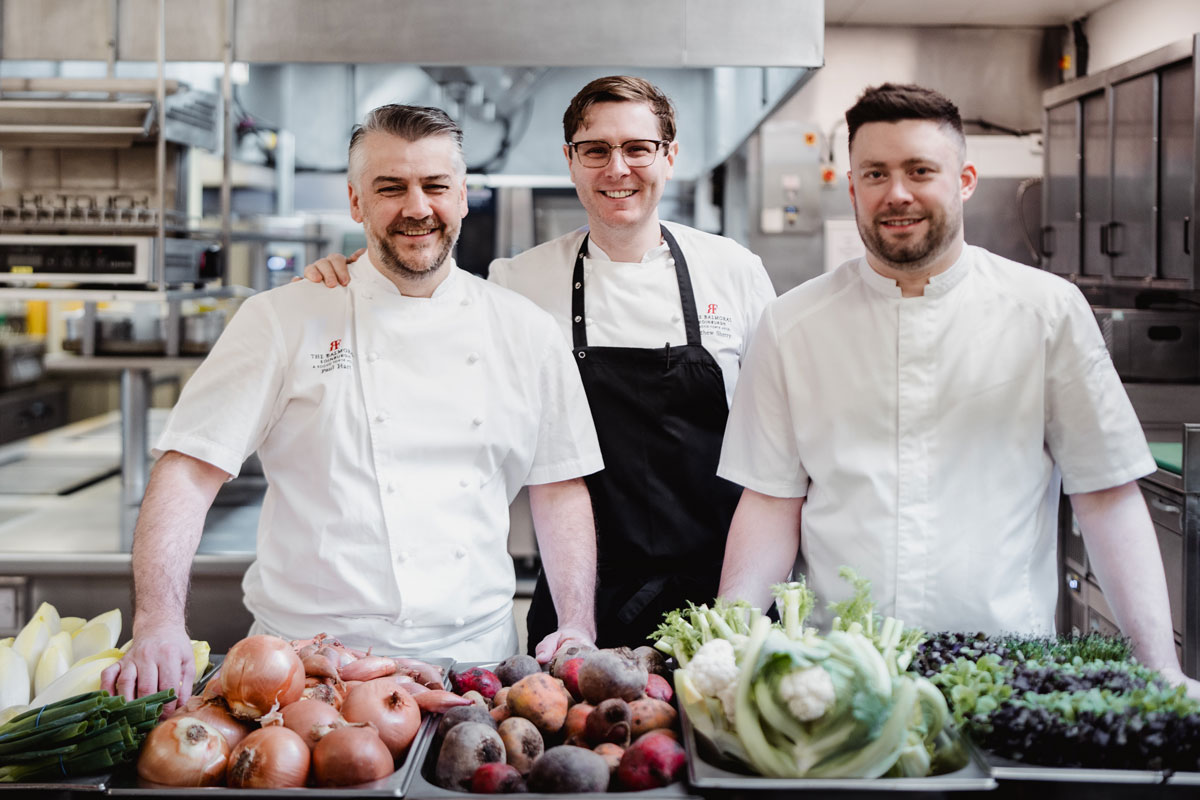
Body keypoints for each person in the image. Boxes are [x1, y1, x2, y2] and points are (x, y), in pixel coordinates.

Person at [101, 105, 604, 708]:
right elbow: (187, 470)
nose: (417, 207)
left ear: (463, 196)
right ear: (355, 202)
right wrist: (157, 622)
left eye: (436, 186)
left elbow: (560, 486)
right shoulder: (283, 318)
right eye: (390, 188)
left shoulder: (524, 329)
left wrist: (576, 621)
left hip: (476, 663)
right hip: (301, 669)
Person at [716, 82, 1198, 692]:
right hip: (836, 675)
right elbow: (769, 502)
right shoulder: (791, 324)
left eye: (921, 170)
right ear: (852, 188)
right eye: (875, 173)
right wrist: (727, 648)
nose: (897, 193)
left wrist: (1158, 667)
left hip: (1004, 668)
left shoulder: (1046, 312)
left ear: (964, 179)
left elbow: (1105, 494)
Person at [303, 76, 776, 651]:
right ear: (571, 162)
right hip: (582, 593)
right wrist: (358, 277)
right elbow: (422, 321)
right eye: (595, 150)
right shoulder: (518, 281)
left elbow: (773, 451)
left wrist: (738, 610)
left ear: (669, 157)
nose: (617, 168)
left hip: (724, 590)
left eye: (637, 149)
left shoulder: (735, 271)